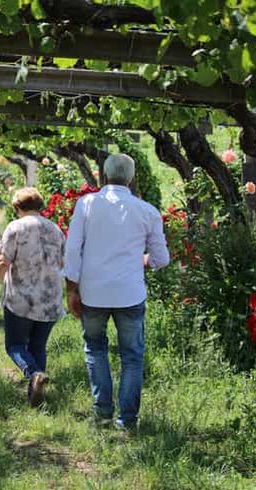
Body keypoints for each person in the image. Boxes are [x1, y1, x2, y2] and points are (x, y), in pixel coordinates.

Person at [64, 153, 170, 430]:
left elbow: (73, 249)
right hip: (129, 294)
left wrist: (71, 289)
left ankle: (102, 413)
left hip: (93, 293)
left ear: (104, 175)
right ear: (132, 178)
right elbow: (161, 259)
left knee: (95, 349)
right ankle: (127, 420)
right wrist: (141, 259)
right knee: (132, 356)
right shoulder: (147, 211)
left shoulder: (86, 205)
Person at [0, 188, 66, 407]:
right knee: (38, 346)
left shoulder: (15, 227)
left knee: (15, 345)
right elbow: (64, 263)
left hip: (21, 300)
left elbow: (2, 263)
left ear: (17, 208)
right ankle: (36, 397)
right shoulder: (56, 230)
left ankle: (34, 374)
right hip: (50, 299)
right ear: (40, 206)